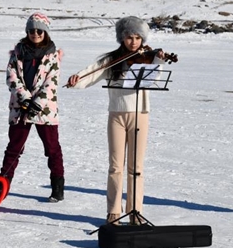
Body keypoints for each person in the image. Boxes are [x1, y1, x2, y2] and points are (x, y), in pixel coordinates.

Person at [66, 16, 166, 225]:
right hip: (117, 115)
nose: (134, 42)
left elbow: (155, 78)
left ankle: (135, 211)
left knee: (136, 167)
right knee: (115, 166)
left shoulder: (148, 57)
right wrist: (77, 79)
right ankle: (113, 210)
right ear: (122, 37)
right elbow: (91, 73)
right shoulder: (112, 60)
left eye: (138, 38)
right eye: (129, 37)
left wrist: (158, 60)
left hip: (140, 115)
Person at [0, 12, 65, 202]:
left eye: (39, 30)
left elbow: (52, 82)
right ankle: (2, 186)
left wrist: (37, 103)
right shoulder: (18, 53)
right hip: (20, 107)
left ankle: (57, 188)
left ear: (45, 32)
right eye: (32, 30)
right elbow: (11, 76)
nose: (35, 33)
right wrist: (24, 98)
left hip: (45, 109)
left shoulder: (52, 55)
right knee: (14, 147)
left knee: (52, 148)